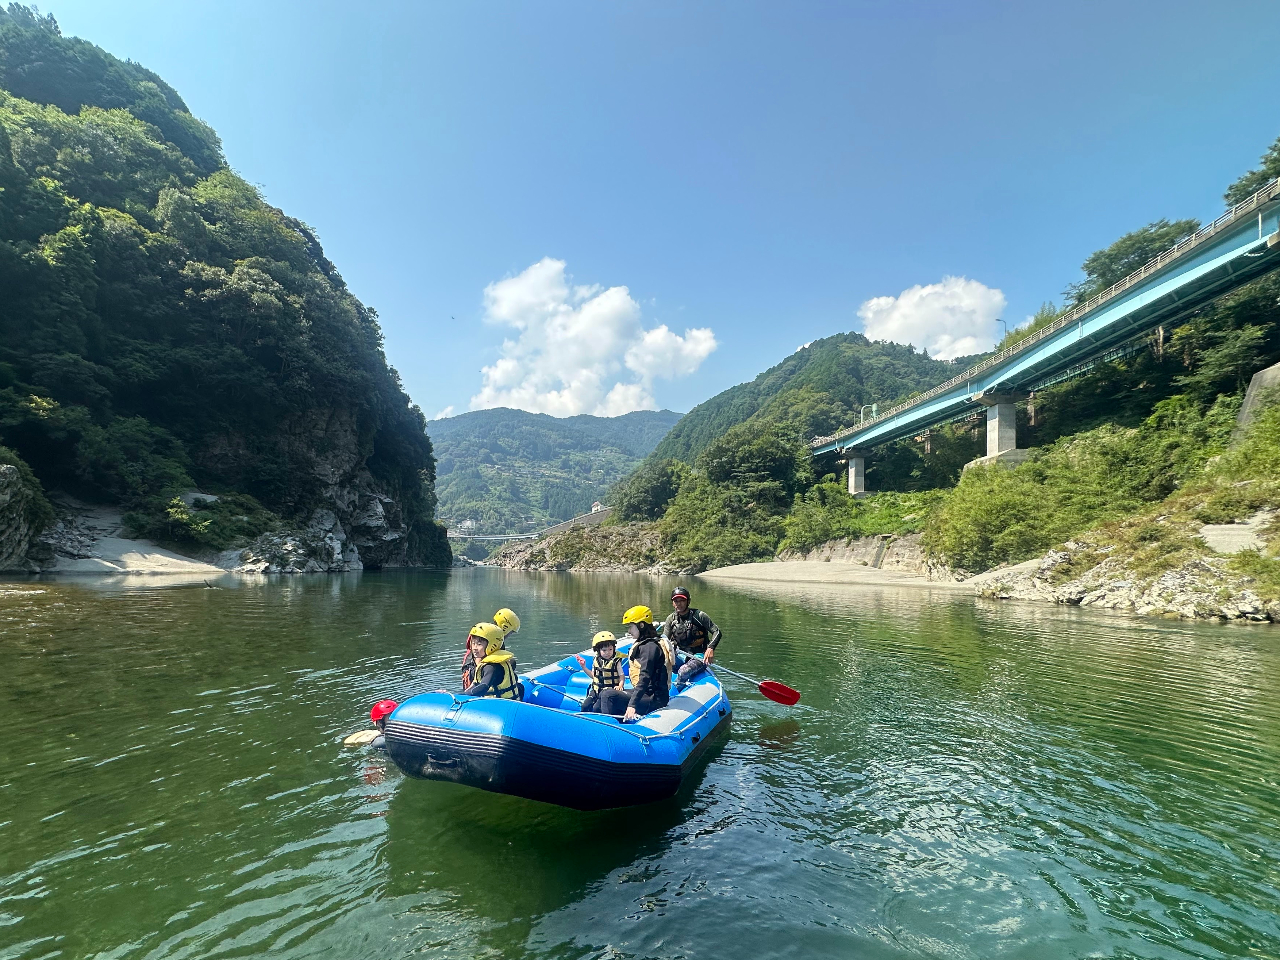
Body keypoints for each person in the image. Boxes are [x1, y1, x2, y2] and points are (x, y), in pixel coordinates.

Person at [661, 586, 722, 686]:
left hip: (699, 657)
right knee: (661, 662)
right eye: (676, 601)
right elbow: (664, 640)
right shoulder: (671, 619)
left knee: (683, 672)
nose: (679, 604)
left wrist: (710, 648)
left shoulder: (699, 616)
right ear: (673, 603)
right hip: (681, 656)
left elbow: (717, 632)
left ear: (688, 601)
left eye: (682, 600)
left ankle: (677, 692)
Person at [621, 605, 670, 722]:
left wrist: (632, 704)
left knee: (609, 696)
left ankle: (610, 730)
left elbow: (645, 677)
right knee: (604, 693)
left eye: (631, 627)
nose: (629, 631)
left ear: (641, 625)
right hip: (646, 694)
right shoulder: (643, 645)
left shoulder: (650, 647)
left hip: (655, 698)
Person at [462, 607, 521, 689]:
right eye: (511, 632)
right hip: (474, 674)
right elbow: (479, 661)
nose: (510, 635)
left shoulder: (486, 632)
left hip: (471, 671)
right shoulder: (492, 639)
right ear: (505, 628)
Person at [575, 630, 628, 716]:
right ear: (598, 650)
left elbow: (621, 676)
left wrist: (620, 685)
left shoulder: (616, 662)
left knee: (597, 708)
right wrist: (583, 667)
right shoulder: (596, 660)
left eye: (610, 649)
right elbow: (593, 676)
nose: (607, 652)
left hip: (608, 692)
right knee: (585, 705)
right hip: (596, 690)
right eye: (604, 650)